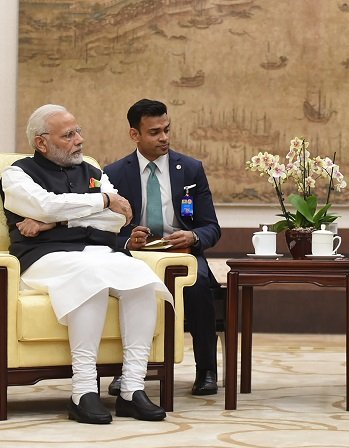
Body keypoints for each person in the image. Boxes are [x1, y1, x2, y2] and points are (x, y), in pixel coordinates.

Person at [1, 104, 173, 424]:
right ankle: (83, 392)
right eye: (68, 135)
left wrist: (51, 222)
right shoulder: (17, 173)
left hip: (96, 253)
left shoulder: (93, 173)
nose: (79, 140)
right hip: (44, 258)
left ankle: (132, 390)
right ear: (42, 142)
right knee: (89, 276)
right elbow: (44, 204)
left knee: (139, 278)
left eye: (78, 131)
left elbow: (117, 220)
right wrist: (101, 201)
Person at [104, 99, 222, 396]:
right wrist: (128, 239)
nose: (164, 138)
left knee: (200, 286)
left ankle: (206, 370)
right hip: (135, 256)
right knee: (121, 292)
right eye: (155, 132)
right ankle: (125, 371)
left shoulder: (191, 169)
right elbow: (102, 232)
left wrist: (193, 237)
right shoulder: (115, 173)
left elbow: (211, 227)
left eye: (167, 130)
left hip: (181, 254)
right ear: (135, 135)